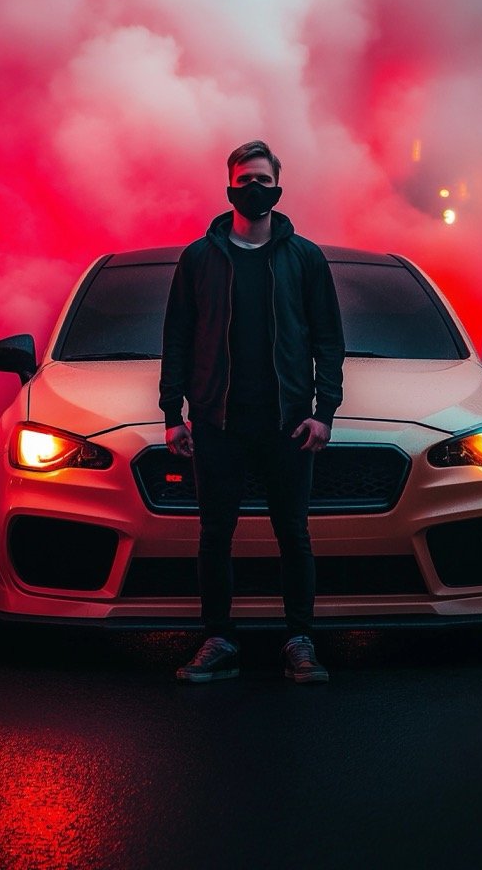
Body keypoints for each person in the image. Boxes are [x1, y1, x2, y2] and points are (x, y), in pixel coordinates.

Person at [159, 140, 345, 684]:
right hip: (218, 423)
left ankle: (299, 641)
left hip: (288, 423)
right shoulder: (199, 258)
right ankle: (218, 640)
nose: (255, 188)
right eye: (246, 179)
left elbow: (329, 340)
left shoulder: (305, 258)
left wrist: (324, 412)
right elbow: (178, 338)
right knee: (215, 534)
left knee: (294, 533)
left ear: (278, 186)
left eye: (264, 179)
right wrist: (174, 413)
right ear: (229, 186)